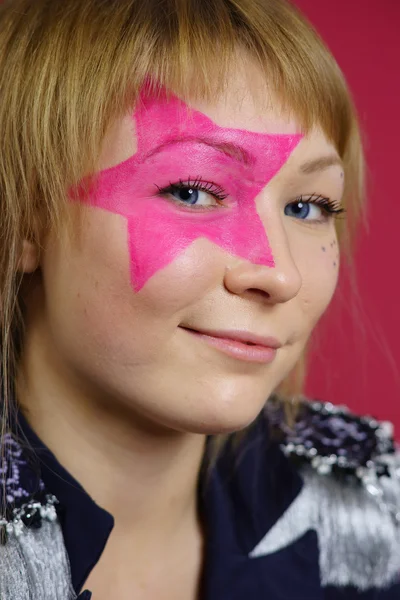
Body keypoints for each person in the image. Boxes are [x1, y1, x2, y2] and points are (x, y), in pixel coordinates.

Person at [0, 0, 399, 598]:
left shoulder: (369, 503)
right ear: (27, 216)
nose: (280, 274)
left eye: (307, 207)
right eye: (191, 191)